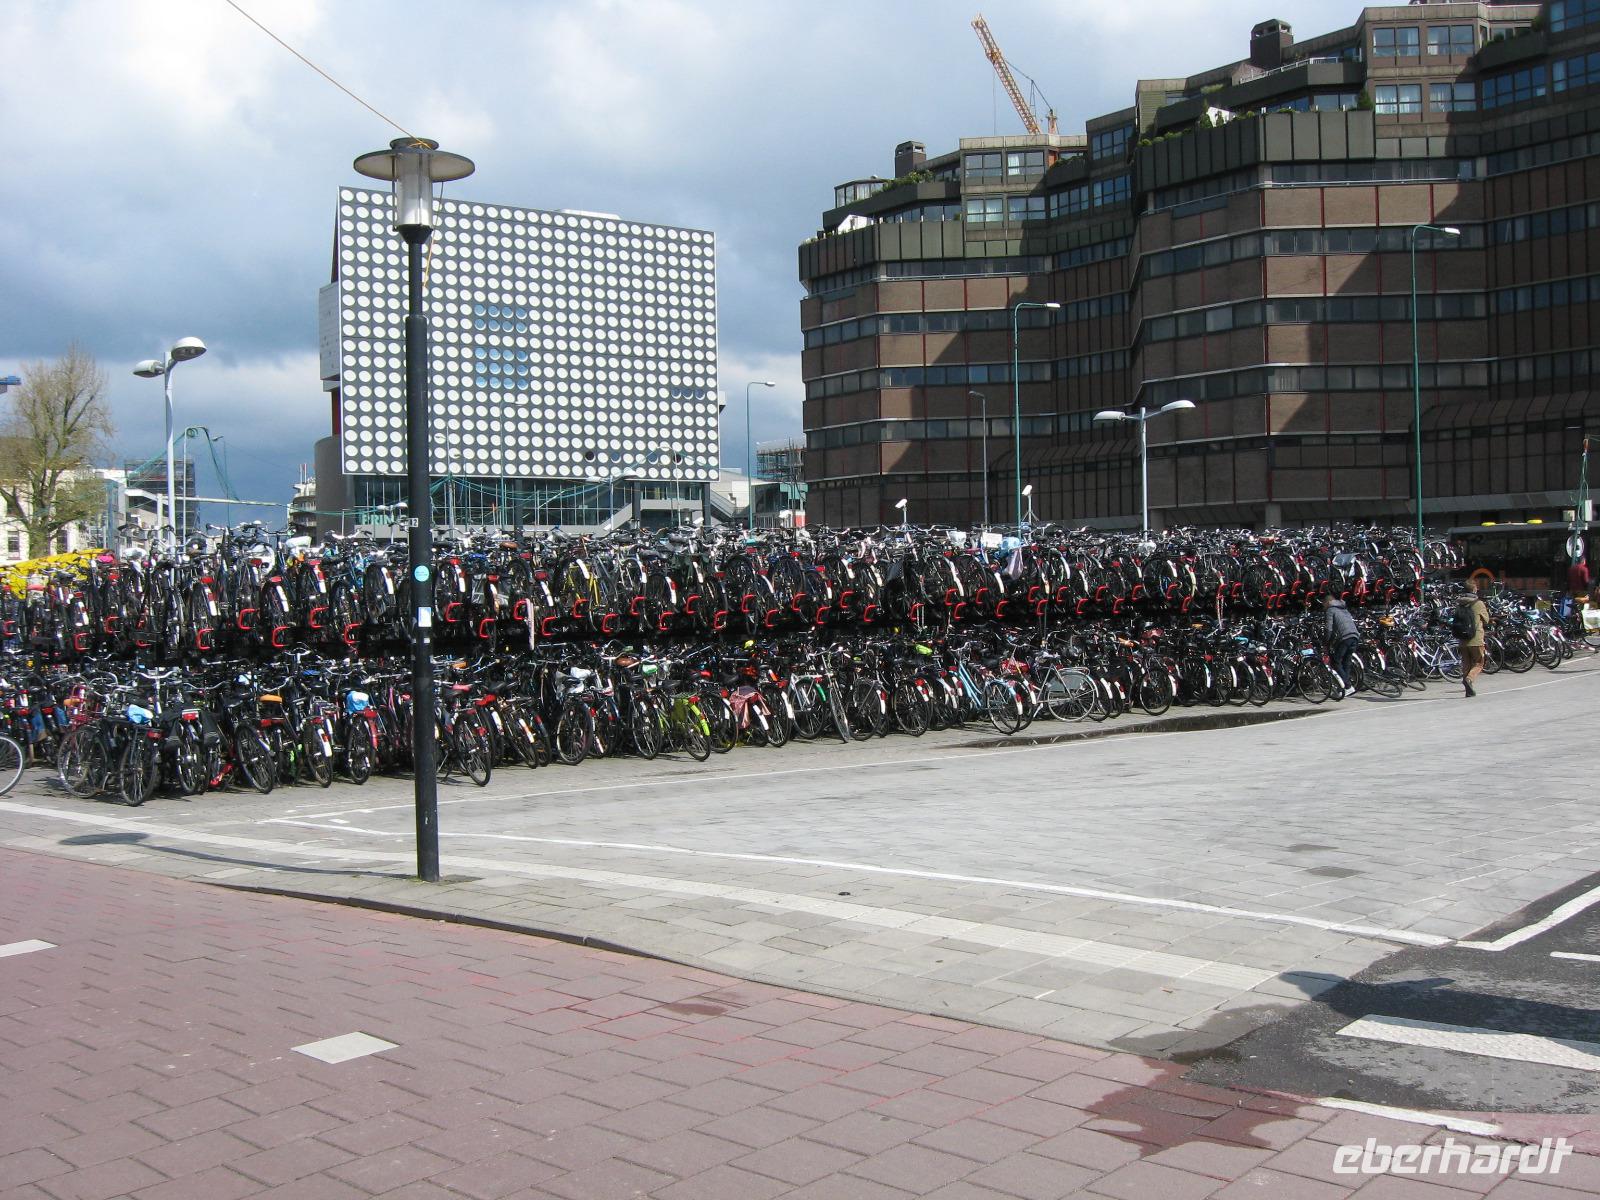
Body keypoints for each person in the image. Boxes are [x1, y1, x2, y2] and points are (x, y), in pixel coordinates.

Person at [1456, 577, 1491, 698]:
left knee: (1466, 663)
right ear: (1474, 589)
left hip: (1462, 639)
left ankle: (1468, 689)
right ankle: (1469, 679)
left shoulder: (1459, 603)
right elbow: (1486, 620)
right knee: (1479, 663)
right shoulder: (1478, 603)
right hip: (1476, 638)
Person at [1323, 592, 1359, 694]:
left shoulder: (1330, 610)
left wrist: (1326, 643)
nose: (1323, 606)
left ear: (1329, 602)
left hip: (1345, 637)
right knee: (1346, 662)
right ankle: (1345, 689)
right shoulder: (1343, 608)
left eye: (1324, 604)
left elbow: (1328, 629)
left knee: (1335, 662)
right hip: (1354, 635)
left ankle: (1347, 686)